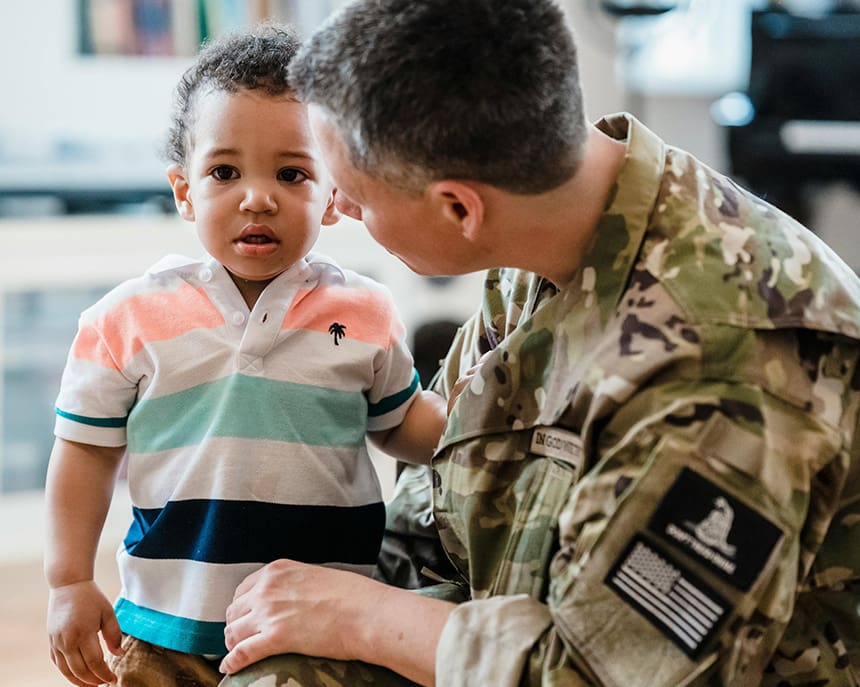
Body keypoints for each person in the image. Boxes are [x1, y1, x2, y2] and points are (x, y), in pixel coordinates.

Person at [214, 0, 860, 686]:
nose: (337, 209)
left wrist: (360, 616)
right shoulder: (548, 223)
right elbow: (432, 519)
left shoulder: (726, 366)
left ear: (459, 207)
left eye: (356, 195)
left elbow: (599, 674)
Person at [43, 22, 447, 687]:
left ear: (335, 192)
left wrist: (464, 427)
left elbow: (401, 424)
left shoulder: (363, 314)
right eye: (224, 171)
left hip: (318, 627)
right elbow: (85, 451)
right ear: (183, 190)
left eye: (292, 173)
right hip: (164, 625)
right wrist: (67, 581)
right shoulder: (126, 319)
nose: (257, 197)